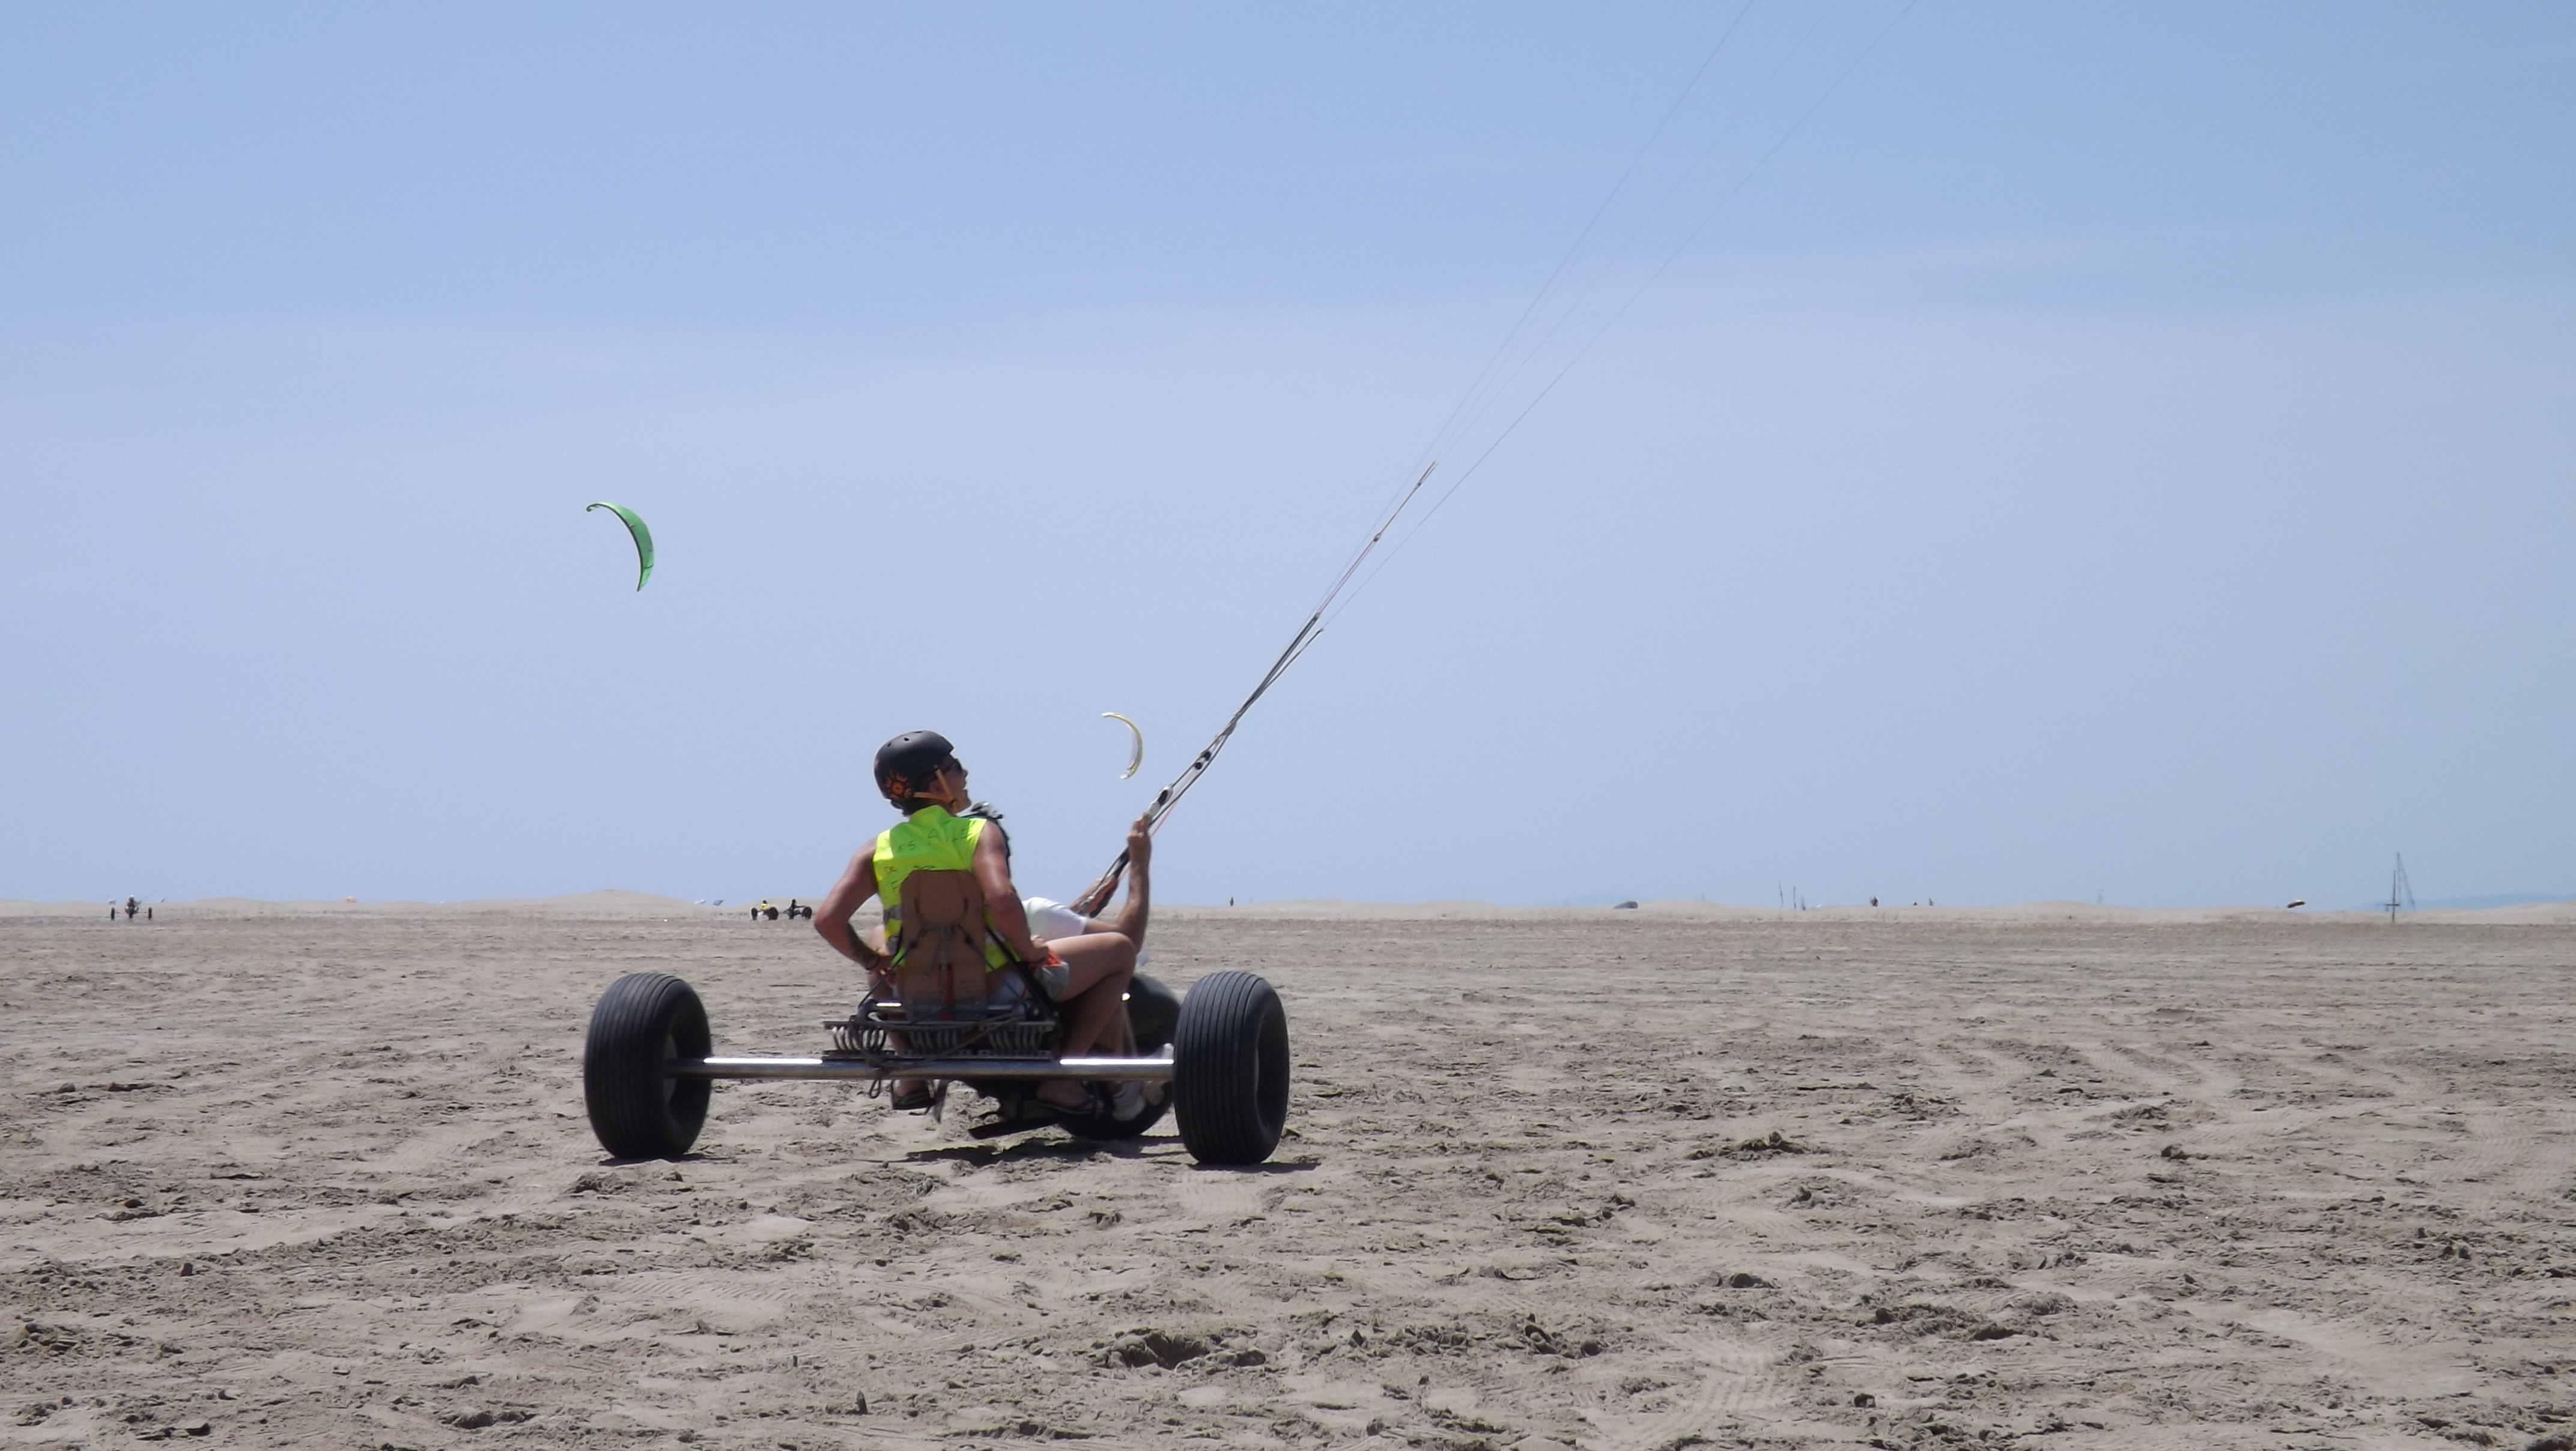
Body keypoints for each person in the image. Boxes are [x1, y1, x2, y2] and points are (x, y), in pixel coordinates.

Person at [814, 730, 1152, 1118]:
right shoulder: (977, 832)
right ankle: (1062, 1076)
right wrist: (1031, 951)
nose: (965, 773)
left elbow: (828, 921)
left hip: (916, 998)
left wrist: (872, 962)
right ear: (938, 781)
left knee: (878, 939)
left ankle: (910, 1074)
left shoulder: (876, 849)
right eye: (955, 767)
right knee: (1121, 951)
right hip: (996, 993)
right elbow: (1003, 901)